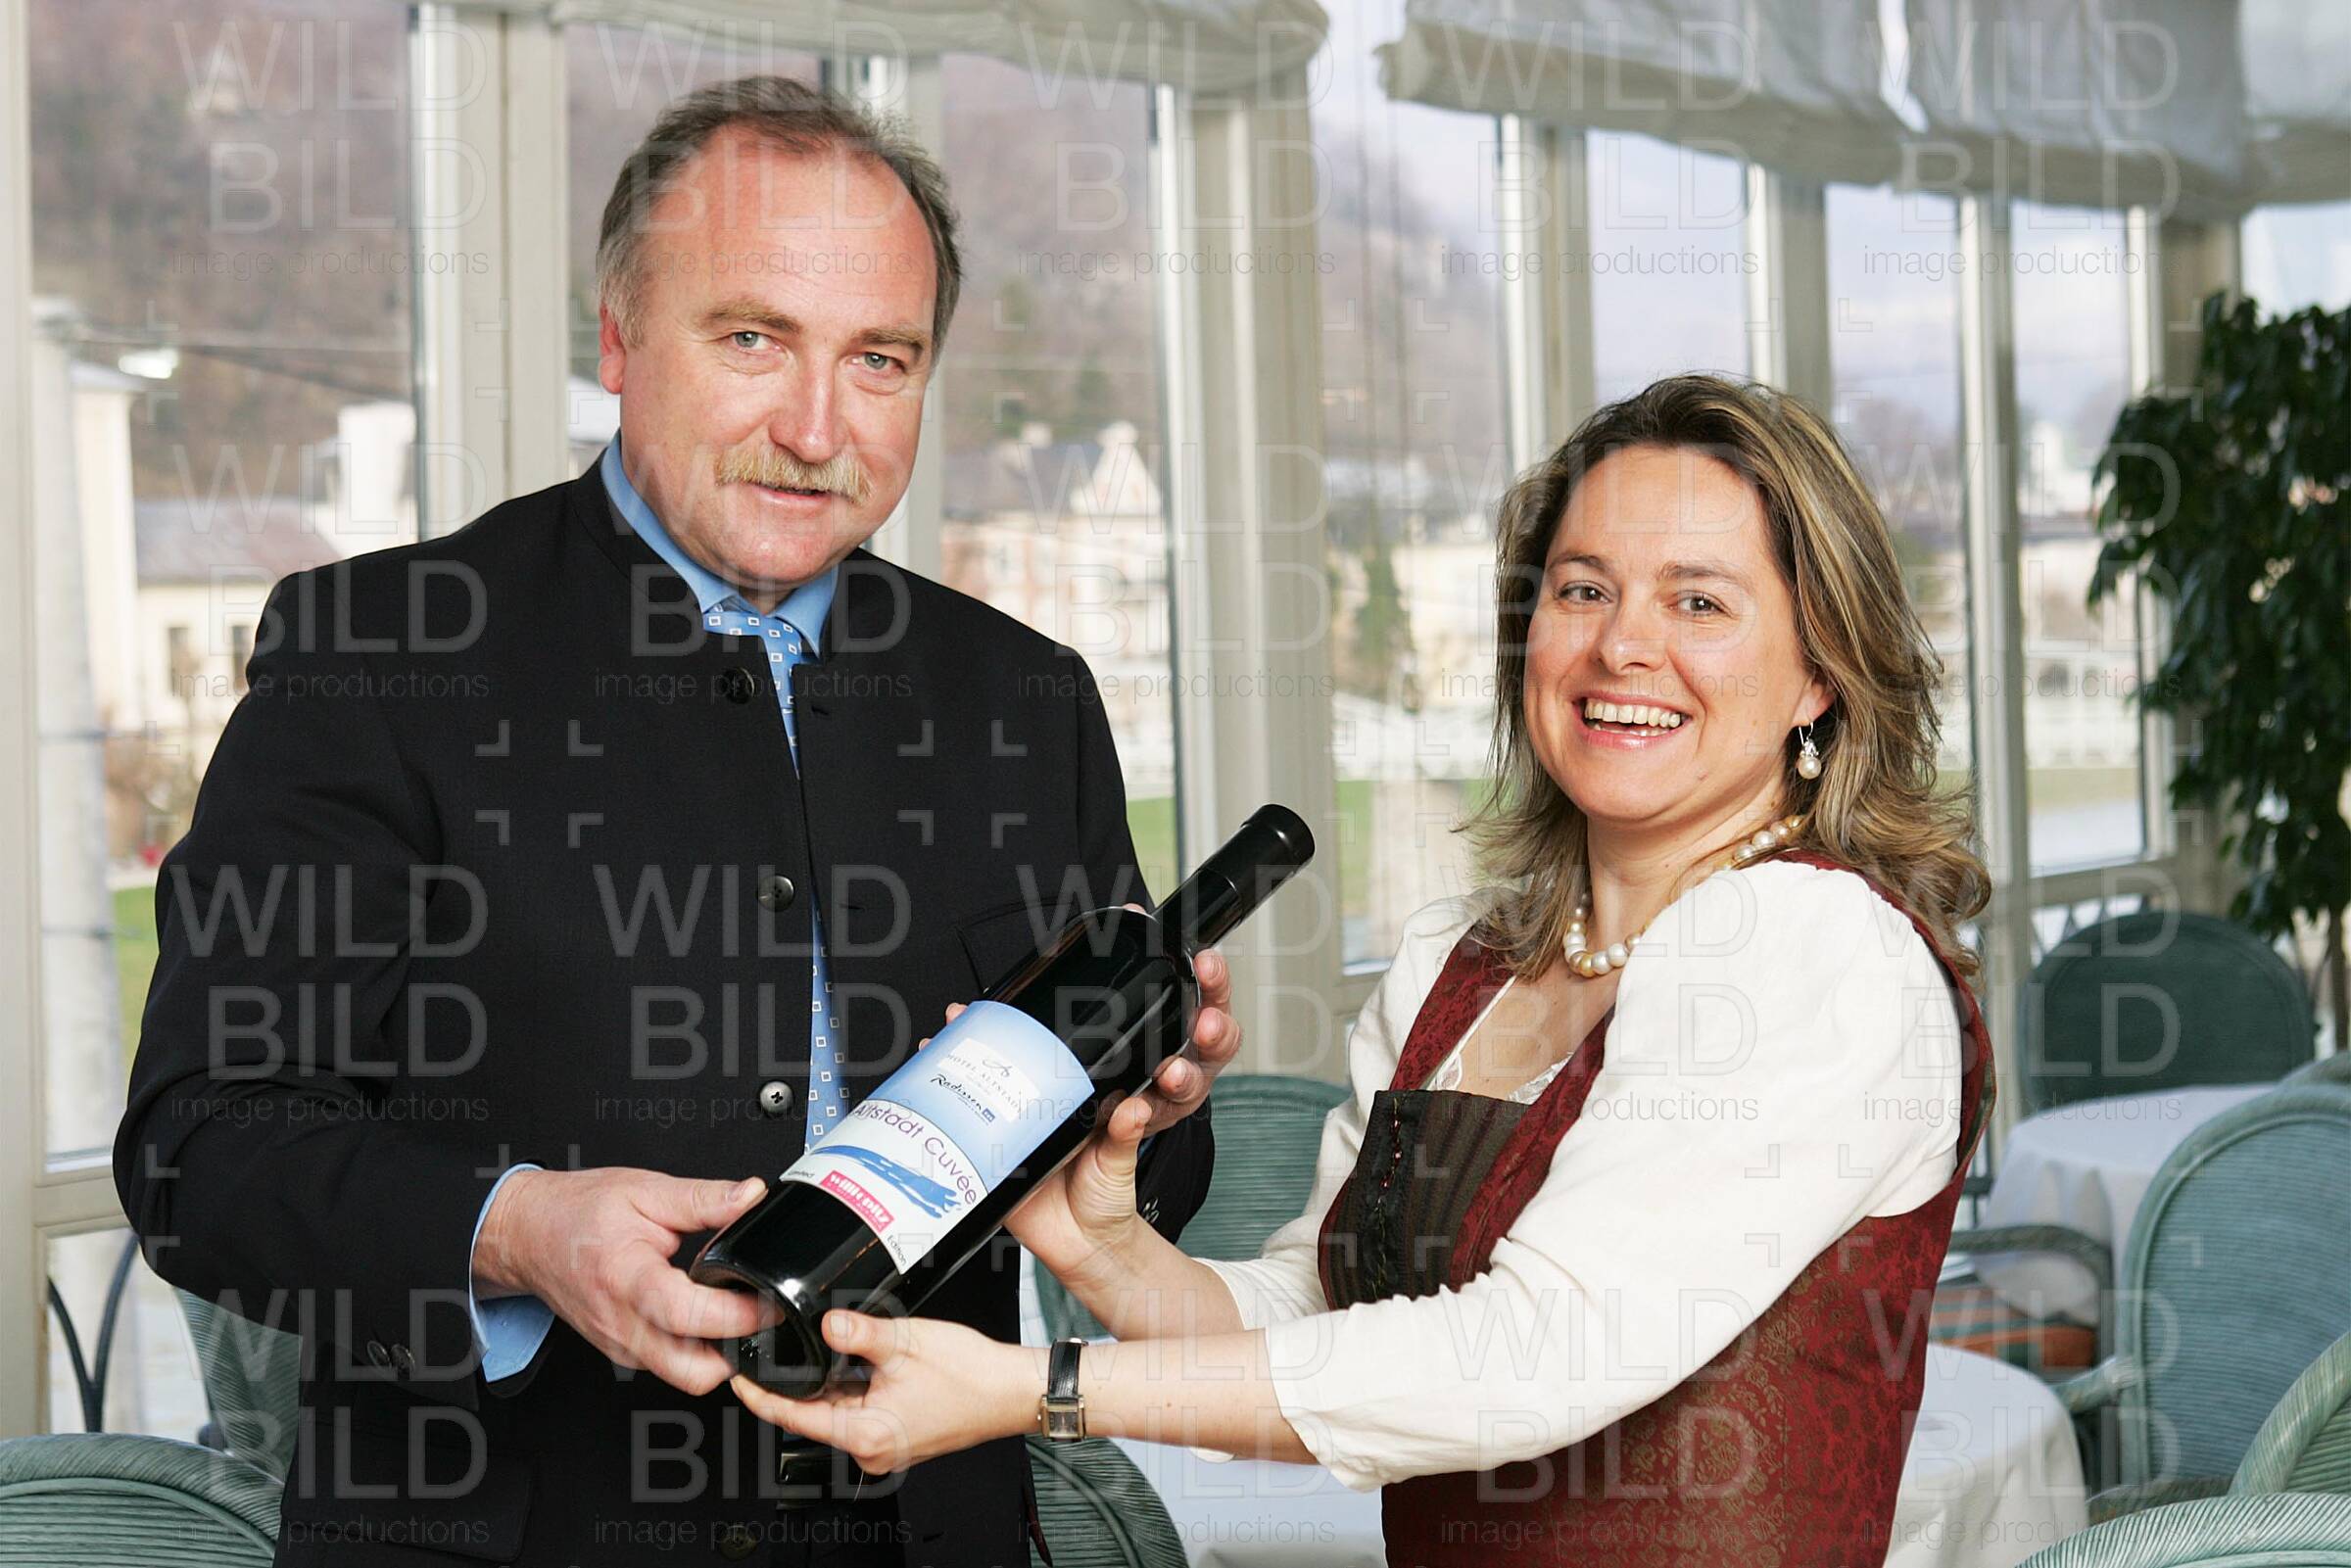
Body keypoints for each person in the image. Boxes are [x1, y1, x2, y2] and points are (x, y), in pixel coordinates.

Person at [113, 76, 1233, 1568]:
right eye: (753, 338)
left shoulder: (1026, 698)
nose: (816, 427)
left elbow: (1136, 1185)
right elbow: (199, 1147)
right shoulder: (376, 656)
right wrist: (515, 1231)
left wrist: (1148, 1124)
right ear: (620, 341)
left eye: (880, 359)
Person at [732, 374, 1997, 1565]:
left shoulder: (1817, 950)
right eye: (1582, 589)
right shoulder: (1464, 959)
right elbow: (1330, 1329)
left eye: (1700, 603)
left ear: (1820, 671)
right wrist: (1104, 1248)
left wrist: (1039, 1388)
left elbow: (1531, 1356)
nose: (1623, 647)